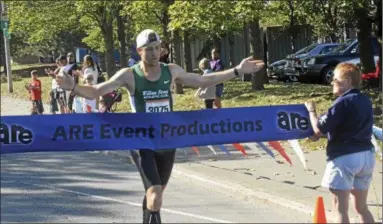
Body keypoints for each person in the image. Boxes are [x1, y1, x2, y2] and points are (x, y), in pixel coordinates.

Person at [56, 29, 264, 224]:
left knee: (155, 195)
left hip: (167, 140)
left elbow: (201, 80)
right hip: (142, 141)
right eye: (149, 49)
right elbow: (96, 91)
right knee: (155, 196)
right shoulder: (129, 74)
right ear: (139, 51)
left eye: (157, 48)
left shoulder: (170, 70)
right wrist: (73, 86)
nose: (155, 53)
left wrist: (237, 70)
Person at [305, 63, 375, 224]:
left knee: (340, 209)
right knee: (362, 208)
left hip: (345, 158)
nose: (331, 82)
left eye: (335, 79)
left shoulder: (342, 102)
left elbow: (319, 128)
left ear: (348, 81)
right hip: (366, 156)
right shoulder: (365, 100)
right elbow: (348, 127)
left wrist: (311, 111)